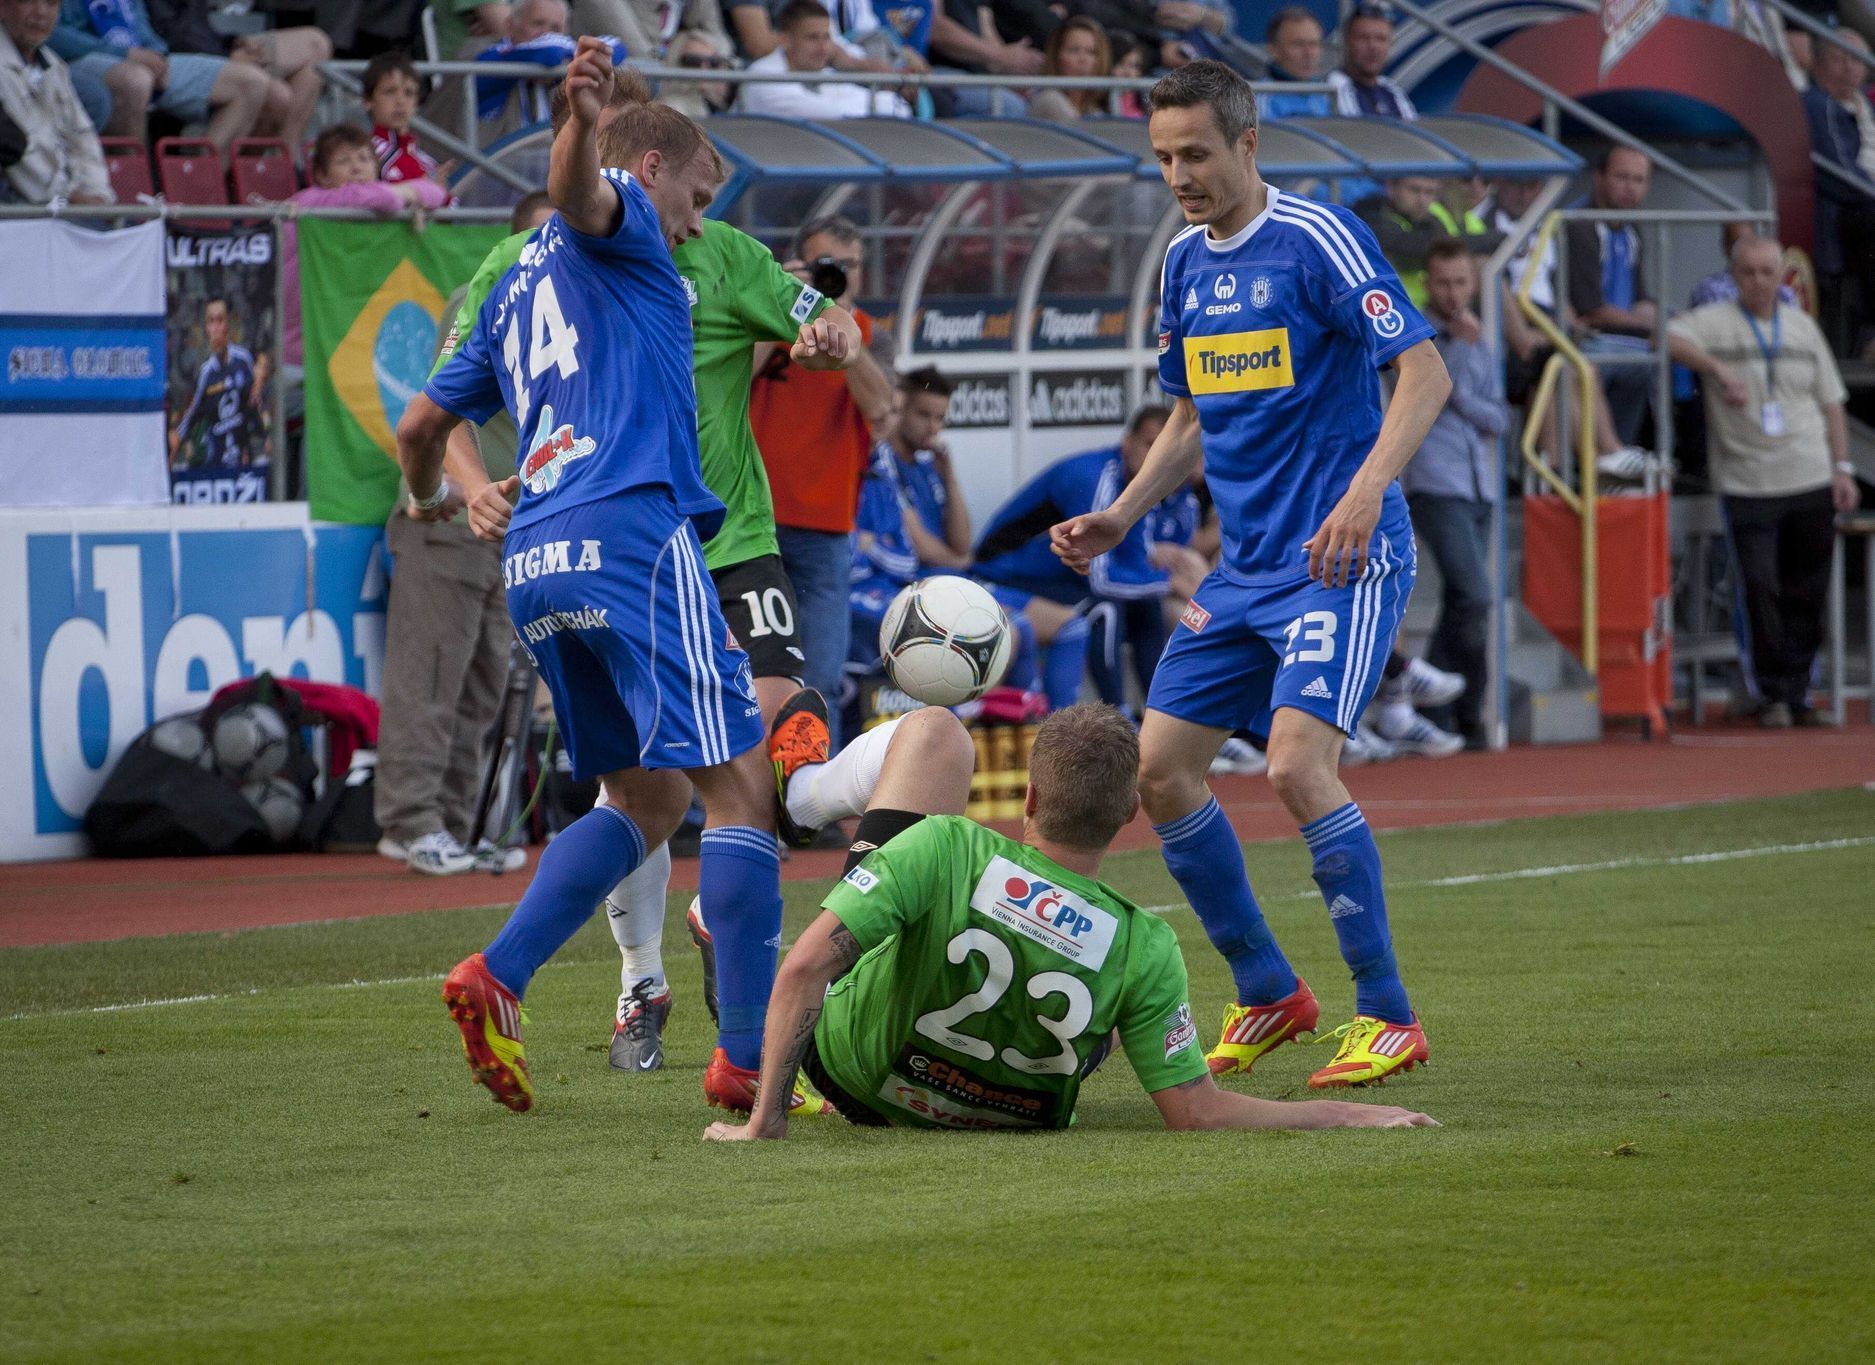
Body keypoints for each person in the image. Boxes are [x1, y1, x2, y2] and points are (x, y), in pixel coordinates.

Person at [399, 41, 845, 1116]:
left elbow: (420, 424)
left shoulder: (506, 285)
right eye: (694, 196)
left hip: (538, 562)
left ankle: (497, 976)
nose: (695, 222)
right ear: (645, 175)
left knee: (643, 799)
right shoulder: (627, 222)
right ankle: (745, 1059)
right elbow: (577, 192)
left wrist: (432, 496)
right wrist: (578, 117)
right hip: (636, 537)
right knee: (743, 792)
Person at [1051, 61, 1452, 1088]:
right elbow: (1190, 420)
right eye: (1163, 159)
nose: (1179, 174)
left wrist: (1366, 491)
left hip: (1341, 558)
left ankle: (1390, 1016)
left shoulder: (1316, 240)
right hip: (1245, 572)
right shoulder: (1183, 265)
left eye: (1194, 154)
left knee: (1291, 765)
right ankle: (1271, 990)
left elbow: (1424, 371)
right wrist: (1121, 515)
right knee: (1161, 771)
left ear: (1246, 144)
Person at [702, 703, 1438, 1140]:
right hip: (1011, 1114)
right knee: (1117, 999)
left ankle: (797, 797)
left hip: (856, 1078)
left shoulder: (945, 843)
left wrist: (764, 1121)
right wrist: (1344, 1114)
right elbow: (1199, 1112)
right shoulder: (1146, 942)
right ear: (1128, 814)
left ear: (1026, 797)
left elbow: (803, 968)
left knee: (931, 733)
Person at [372, 190, 553, 880]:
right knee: (431, 670)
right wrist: (465, 489)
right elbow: (445, 405)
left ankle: (451, 820)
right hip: (449, 513)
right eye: (543, 232)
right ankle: (411, 821)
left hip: (511, 520)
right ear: (513, 241)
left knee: (482, 681)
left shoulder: (568, 310)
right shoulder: (482, 293)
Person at [1668, 235, 1862, 727]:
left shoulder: (1801, 328)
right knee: (1759, 588)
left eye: (1767, 272)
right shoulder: (1716, 322)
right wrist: (1715, 369)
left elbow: (1832, 403)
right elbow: (1666, 336)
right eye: (1749, 272)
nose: (1759, 282)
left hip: (1810, 473)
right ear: (1734, 277)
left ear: (1782, 276)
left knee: (1807, 591)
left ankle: (1798, 694)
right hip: (1747, 479)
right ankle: (1771, 692)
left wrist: (1842, 468)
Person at [751, 213, 897, 749]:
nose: (843, 275)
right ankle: (729, 809)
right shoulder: (765, 316)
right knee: (740, 672)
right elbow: (733, 379)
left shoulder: (870, 336)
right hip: (751, 520)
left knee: (820, 677)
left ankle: (809, 802)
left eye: (851, 266)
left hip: (826, 525)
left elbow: (882, 410)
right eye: (827, 266)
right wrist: (784, 302)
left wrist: (843, 326)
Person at [1398, 239, 1508, 751]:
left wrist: (1468, 358)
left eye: (1462, 282)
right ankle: (1455, 711)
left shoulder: (1479, 337)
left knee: (1466, 601)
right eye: (1443, 282)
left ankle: (1451, 713)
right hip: (1434, 482)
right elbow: (1435, 397)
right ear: (1428, 281)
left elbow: (1499, 418)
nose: (1452, 292)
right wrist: (1462, 350)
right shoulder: (1418, 334)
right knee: (1476, 594)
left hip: (1478, 483)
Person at [281, 123, 447, 373]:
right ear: (322, 176)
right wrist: (406, 192)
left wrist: (405, 192)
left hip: (342, 346)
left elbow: (436, 193)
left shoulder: (372, 199)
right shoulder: (310, 200)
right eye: (343, 161)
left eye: (364, 158)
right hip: (297, 354)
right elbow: (382, 198)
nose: (357, 167)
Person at [51, 0, 268, 153]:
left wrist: (158, 57)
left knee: (251, 82)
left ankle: (197, 189)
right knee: (135, 80)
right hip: (79, 57)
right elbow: (53, 34)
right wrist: (126, 54)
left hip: (136, 55)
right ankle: (132, 194)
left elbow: (141, 23)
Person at [145, 0, 332, 159]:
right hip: (169, 60)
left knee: (315, 43)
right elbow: (165, 33)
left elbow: (196, 26)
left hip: (213, 48)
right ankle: (219, 178)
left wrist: (235, 42)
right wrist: (228, 57)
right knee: (277, 95)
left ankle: (286, 162)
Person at [1564, 146, 1658, 459]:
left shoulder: (1632, 231)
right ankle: (1609, 459)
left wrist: (1667, 320)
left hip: (1623, 338)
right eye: (1622, 177)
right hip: (1589, 340)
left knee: (1670, 353)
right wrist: (1651, 324)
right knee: (1650, 356)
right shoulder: (1581, 225)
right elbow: (1591, 311)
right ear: (1599, 177)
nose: (1631, 188)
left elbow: (1641, 301)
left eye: (1639, 180)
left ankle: (1632, 453)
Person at [1802, 30, 1875, 355]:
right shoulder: (1818, 104)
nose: (1849, 67)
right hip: (1843, 213)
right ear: (1817, 64)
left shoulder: (1865, 108)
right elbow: (1840, 174)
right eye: (1839, 57)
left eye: (1856, 58)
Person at [0, 0, 110, 205]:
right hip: (24, 205)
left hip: (68, 202)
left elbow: (82, 136)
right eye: (29, 2)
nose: (40, 12)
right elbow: (22, 157)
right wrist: (68, 195)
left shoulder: (55, 65)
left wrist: (97, 192)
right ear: (2, 7)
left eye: (51, 4)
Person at [737, 0, 911, 119]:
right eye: (812, 37)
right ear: (785, 39)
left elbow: (898, 107)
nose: (823, 47)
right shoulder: (763, 76)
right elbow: (826, 117)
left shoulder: (825, 75)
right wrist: (872, 115)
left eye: (827, 37)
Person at [474, 0, 624, 128]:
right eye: (538, 24)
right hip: (495, 156)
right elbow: (548, 54)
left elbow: (618, 46)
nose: (547, 34)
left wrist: (578, 56)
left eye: (555, 28)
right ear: (510, 25)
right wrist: (580, 56)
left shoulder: (565, 55)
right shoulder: (492, 55)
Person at [170, 297, 266, 471]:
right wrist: (177, 440)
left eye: (220, 320)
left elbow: (257, 403)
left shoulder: (243, 360)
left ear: (228, 325)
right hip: (216, 462)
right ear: (206, 328)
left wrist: (266, 437)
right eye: (211, 321)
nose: (215, 328)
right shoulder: (206, 373)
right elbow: (193, 414)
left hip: (245, 460)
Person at [1355, 175, 1445, 309]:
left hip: (1425, 309)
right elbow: (1408, 247)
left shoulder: (1433, 219)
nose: (1422, 200)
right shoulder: (1371, 216)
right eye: (1414, 190)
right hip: (1385, 308)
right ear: (1391, 186)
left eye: (1430, 192)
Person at [363, 50, 446, 188]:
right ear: (368, 101)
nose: (400, 101)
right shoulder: (362, 157)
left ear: (417, 103)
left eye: (409, 93)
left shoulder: (429, 164)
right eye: (390, 92)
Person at [1327, 4, 1416, 120]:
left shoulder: (1392, 91)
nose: (1373, 47)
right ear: (1346, 42)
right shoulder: (1333, 87)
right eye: (1364, 38)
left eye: (1381, 39)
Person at [1028, 15, 1110, 122]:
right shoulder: (1050, 99)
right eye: (1074, 50)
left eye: (1091, 52)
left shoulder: (1093, 110)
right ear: (1056, 56)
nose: (1083, 59)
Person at [1258, 7, 1330, 119]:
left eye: (1314, 44)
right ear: (1274, 50)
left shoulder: (1328, 96)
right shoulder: (1260, 101)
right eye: (1298, 44)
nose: (1308, 53)